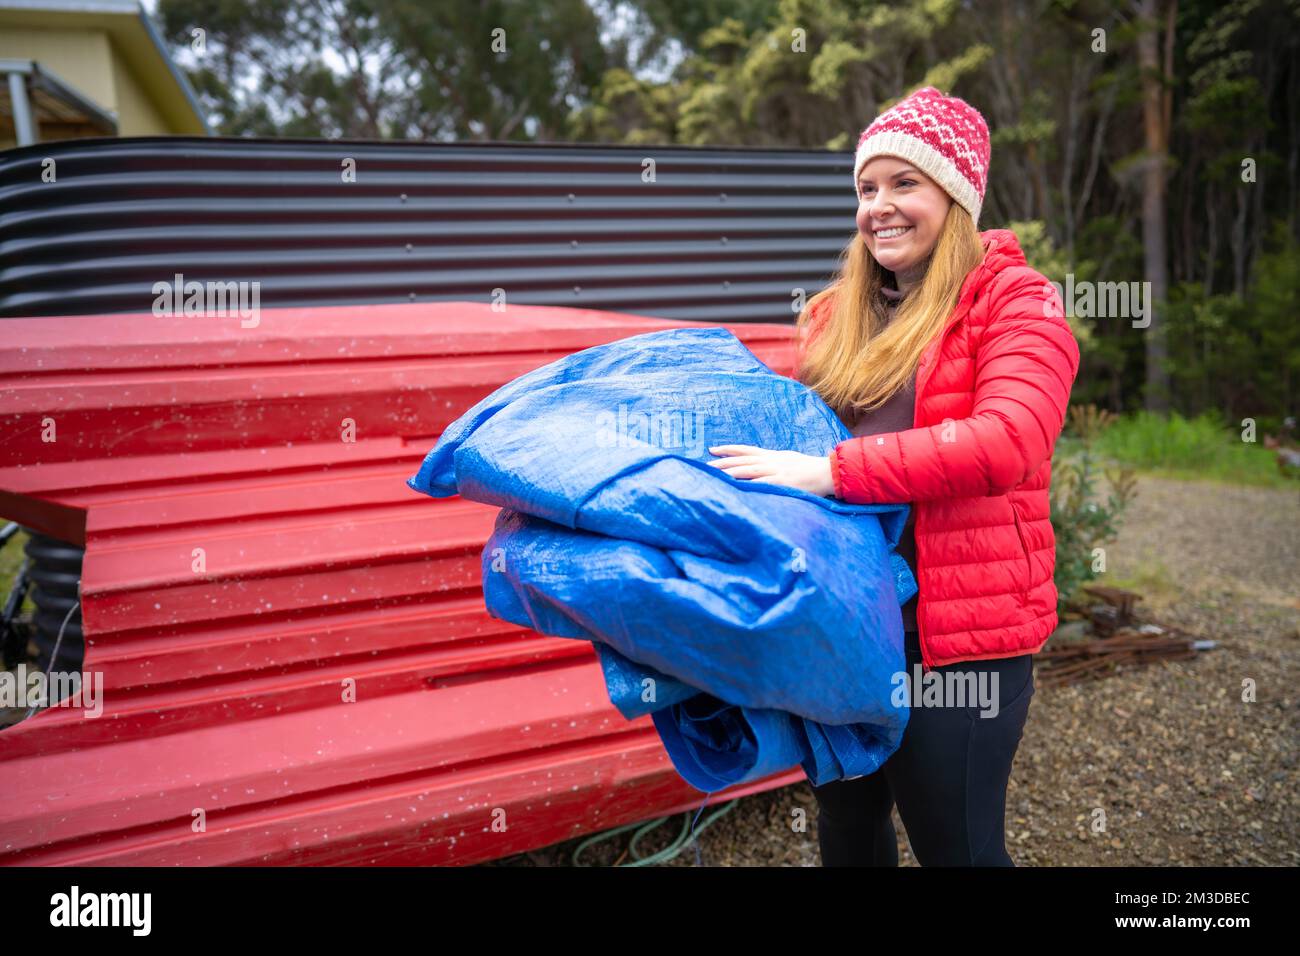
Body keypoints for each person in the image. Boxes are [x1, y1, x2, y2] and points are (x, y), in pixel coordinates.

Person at [706, 86, 1081, 866]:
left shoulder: (1019, 303)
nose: (880, 206)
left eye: (904, 183)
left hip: (957, 643)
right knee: (847, 833)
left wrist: (832, 472)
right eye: (866, 188)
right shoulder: (834, 314)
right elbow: (779, 435)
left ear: (956, 194)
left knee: (959, 847)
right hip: (844, 626)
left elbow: (1006, 440)